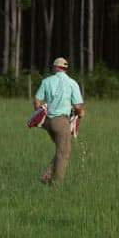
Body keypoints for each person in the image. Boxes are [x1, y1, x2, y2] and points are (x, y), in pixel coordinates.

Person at [33, 57, 84, 186]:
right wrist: (80, 114)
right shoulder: (72, 83)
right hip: (61, 122)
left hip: (47, 122)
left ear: (55, 68)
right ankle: (55, 184)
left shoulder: (46, 81)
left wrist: (39, 112)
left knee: (61, 150)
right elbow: (77, 107)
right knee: (64, 153)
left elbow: (37, 100)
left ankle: (47, 174)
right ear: (66, 69)